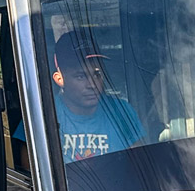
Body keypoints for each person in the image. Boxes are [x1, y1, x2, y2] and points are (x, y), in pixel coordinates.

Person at [52, 31, 145, 161]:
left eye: (97, 74)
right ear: (59, 79)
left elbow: (139, 164)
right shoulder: (45, 116)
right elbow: (30, 172)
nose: (92, 84)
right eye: (80, 76)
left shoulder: (122, 112)